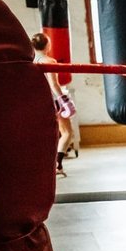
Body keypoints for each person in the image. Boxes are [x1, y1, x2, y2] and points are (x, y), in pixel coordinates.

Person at [30, 31, 75, 175]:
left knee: (46, 134)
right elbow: (54, 85)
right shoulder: (50, 62)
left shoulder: (29, 62)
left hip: (37, 101)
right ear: (47, 44)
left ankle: (45, 165)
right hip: (52, 101)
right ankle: (58, 164)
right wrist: (64, 100)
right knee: (67, 133)